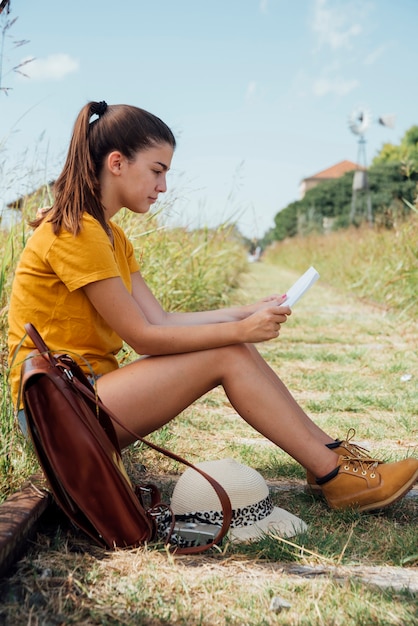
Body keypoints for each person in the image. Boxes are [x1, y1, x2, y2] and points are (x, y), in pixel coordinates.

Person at [7, 101, 418, 514]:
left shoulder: (108, 233)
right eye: (157, 170)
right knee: (229, 351)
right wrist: (240, 331)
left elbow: (161, 318)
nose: (163, 186)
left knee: (234, 347)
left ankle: (328, 458)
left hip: (84, 399)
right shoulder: (76, 230)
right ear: (117, 163)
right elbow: (143, 337)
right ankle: (335, 475)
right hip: (57, 414)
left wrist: (244, 312)